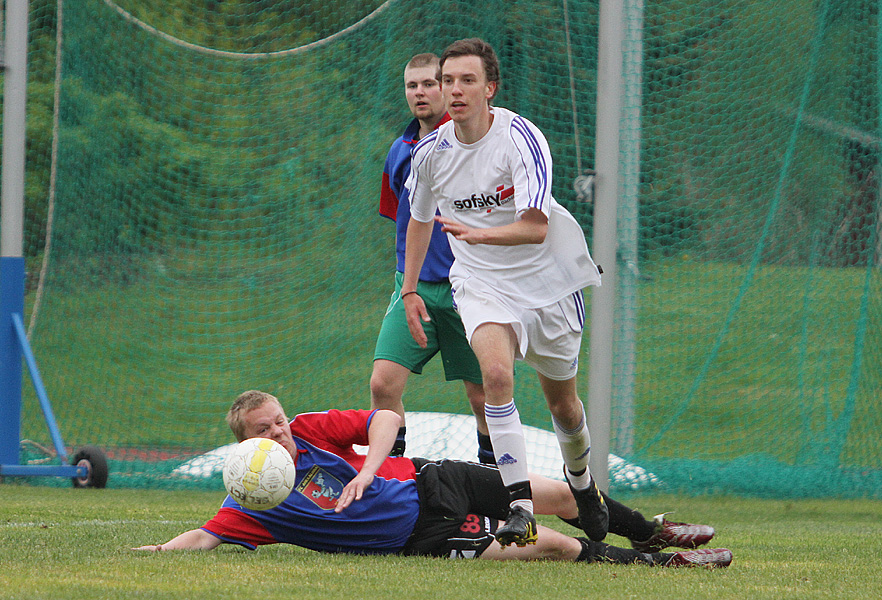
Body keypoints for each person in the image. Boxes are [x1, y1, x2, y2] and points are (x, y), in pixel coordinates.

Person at [133, 390, 732, 568]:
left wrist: (366, 471)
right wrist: (156, 550)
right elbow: (206, 535)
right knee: (543, 544)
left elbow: (388, 417)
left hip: (431, 482)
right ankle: (659, 568)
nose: (281, 434)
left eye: (281, 422)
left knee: (553, 492)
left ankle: (649, 532)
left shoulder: (313, 431)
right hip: (419, 537)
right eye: (265, 431)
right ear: (246, 447)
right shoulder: (253, 502)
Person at [401, 38, 605, 547]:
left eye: (467, 80)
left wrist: (480, 233)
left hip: (547, 284)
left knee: (564, 406)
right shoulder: (429, 153)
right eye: (448, 80)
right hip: (481, 282)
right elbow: (420, 220)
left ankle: (583, 486)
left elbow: (535, 227)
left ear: (490, 88)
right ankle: (520, 507)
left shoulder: (521, 138)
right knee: (495, 375)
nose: (455, 90)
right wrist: (408, 289)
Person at [373, 53, 493, 464]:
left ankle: (495, 491)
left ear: (447, 88)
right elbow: (402, 218)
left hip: (469, 287)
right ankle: (391, 482)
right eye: (412, 85)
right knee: (383, 384)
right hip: (413, 288)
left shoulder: (469, 143)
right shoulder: (400, 150)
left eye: (429, 83)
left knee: (484, 397)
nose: (420, 92)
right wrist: (407, 282)